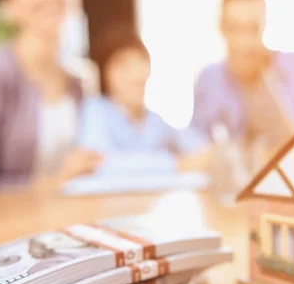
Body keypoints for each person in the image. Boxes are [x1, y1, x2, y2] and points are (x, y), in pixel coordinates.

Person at [0, 0, 102, 196]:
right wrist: (47, 185)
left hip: (68, 217)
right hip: (10, 222)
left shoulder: (76, 84)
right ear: (8, 7)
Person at [192, 0, 294, 174]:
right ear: (221, 27)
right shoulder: (209, 80)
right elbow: (194, 148)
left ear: (265, 25)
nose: (243, 42)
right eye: (234, 28)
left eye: (253, 28)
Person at [78, 29, 209, 175]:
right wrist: (177, 164)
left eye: (142, 62)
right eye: (124, 66)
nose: (137, 75)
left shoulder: (154, 121)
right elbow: (96, 163)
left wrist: (210, 155)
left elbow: (200, 148)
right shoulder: (96, 111)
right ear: (105, 73)